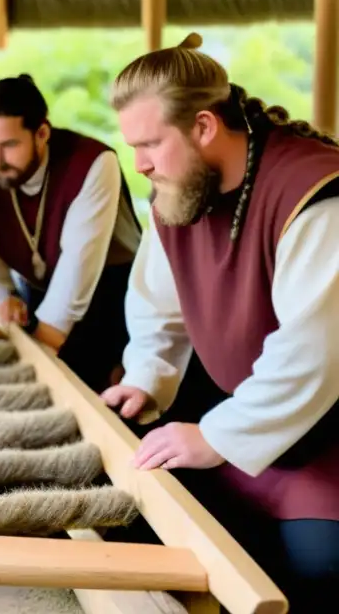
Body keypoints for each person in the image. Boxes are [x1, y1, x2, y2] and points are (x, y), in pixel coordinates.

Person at [100, 33, 339, 613]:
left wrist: (214, 436)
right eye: (133, 147)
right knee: (134, 516)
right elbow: (159, 309)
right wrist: (145, 380)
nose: (141, 164)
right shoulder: (177, 192)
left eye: (152, 143)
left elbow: (315, 354)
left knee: (318, 568)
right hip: (242, 432)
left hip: (325, 445)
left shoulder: (316, 195)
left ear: (205, 126)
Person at [0, 74, 142, 392]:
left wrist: (42, 347)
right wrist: (4, 296)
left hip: (111, 301)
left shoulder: (93, 163)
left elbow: (78, 265)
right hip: (40, 297)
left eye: (10, 145)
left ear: (42, 133)